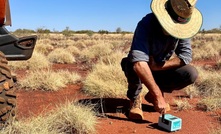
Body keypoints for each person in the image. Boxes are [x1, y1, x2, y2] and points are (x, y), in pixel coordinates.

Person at [121, 0, 203, 120]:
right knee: (131, 63)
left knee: (190, 73)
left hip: (159, 66)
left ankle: (153, 94)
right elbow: (139, 63)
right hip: (141, 66)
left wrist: (158, 67)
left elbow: (185, 56)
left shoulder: (183, 27)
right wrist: (158, 96)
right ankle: (135, 98)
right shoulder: (146, 24)